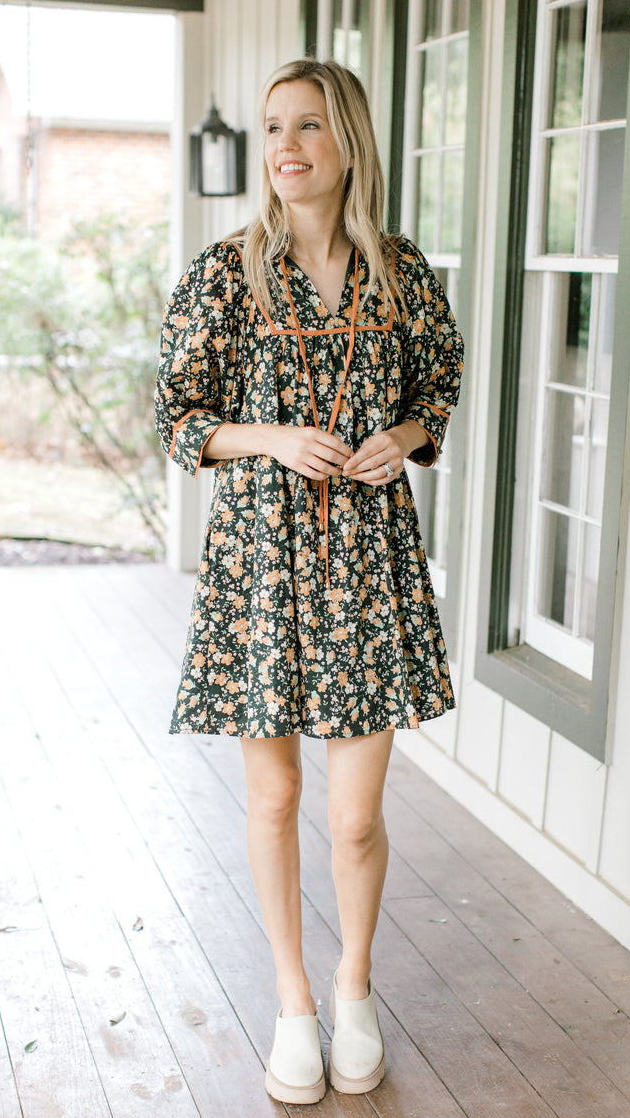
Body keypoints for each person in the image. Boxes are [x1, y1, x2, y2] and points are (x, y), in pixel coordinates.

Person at [155, 57, 464, 1105]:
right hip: (262, 563)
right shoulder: (223, 273)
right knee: (277, 794)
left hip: (368, 564)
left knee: (355, 818)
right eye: (273, 126)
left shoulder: (401, 273)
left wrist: (403, 436)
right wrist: (273, 438)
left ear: (348, 146)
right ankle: (293, 999)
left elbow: (439, 392)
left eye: (308, 127)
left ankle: (355, 986)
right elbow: (179, 420)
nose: (284, 146)